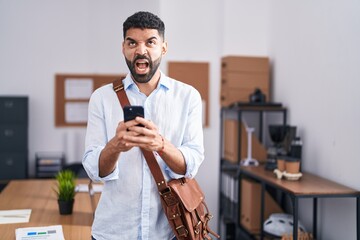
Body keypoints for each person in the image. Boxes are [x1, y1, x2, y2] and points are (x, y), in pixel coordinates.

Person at [82, 11, 204, 240]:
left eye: (150, 42)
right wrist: (116, 146)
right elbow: (94, 170)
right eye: (132, 43)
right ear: (123, 47)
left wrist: (161, 144)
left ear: (164, 48)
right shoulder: (101, 98)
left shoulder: (188, 96)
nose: (141, 50)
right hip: (112, 232)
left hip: (168, 232)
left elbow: (191, 165)